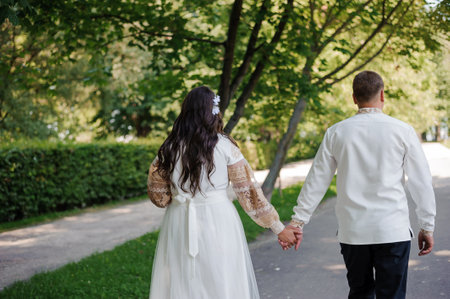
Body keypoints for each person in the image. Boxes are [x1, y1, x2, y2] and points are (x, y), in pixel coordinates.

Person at [280, 71, 436, 299]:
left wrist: (297, 221)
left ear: (354, 98)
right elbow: (421, 183)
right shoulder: (403, 131)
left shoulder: (336, 132)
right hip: (392, 230)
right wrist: (427, 226)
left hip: (354, 233)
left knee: (360, 292)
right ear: (382, 94)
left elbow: (317, 180)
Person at [147, 86, 300, 299]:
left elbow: (159, 197)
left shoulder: (168, 149)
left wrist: (181, 194)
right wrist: (279, 228)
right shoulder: (225, 146)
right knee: (221, 279)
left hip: (178, 221)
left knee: (181, 281)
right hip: (218, 220)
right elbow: (249, 192)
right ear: (214, 112)